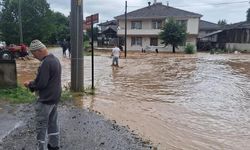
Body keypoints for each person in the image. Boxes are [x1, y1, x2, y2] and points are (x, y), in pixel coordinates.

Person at [24, 40, 61, 150]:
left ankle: (40, 148)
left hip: (45, 100)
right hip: (54, 98)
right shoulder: (55, 60)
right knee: (52, 123)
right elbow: (49, 80)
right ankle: (54, 146)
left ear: (40, 51)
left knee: (41, 126)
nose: (35, 57)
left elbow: (41, 83)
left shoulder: (46, 63)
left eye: (34, 54)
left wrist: (29, 84)